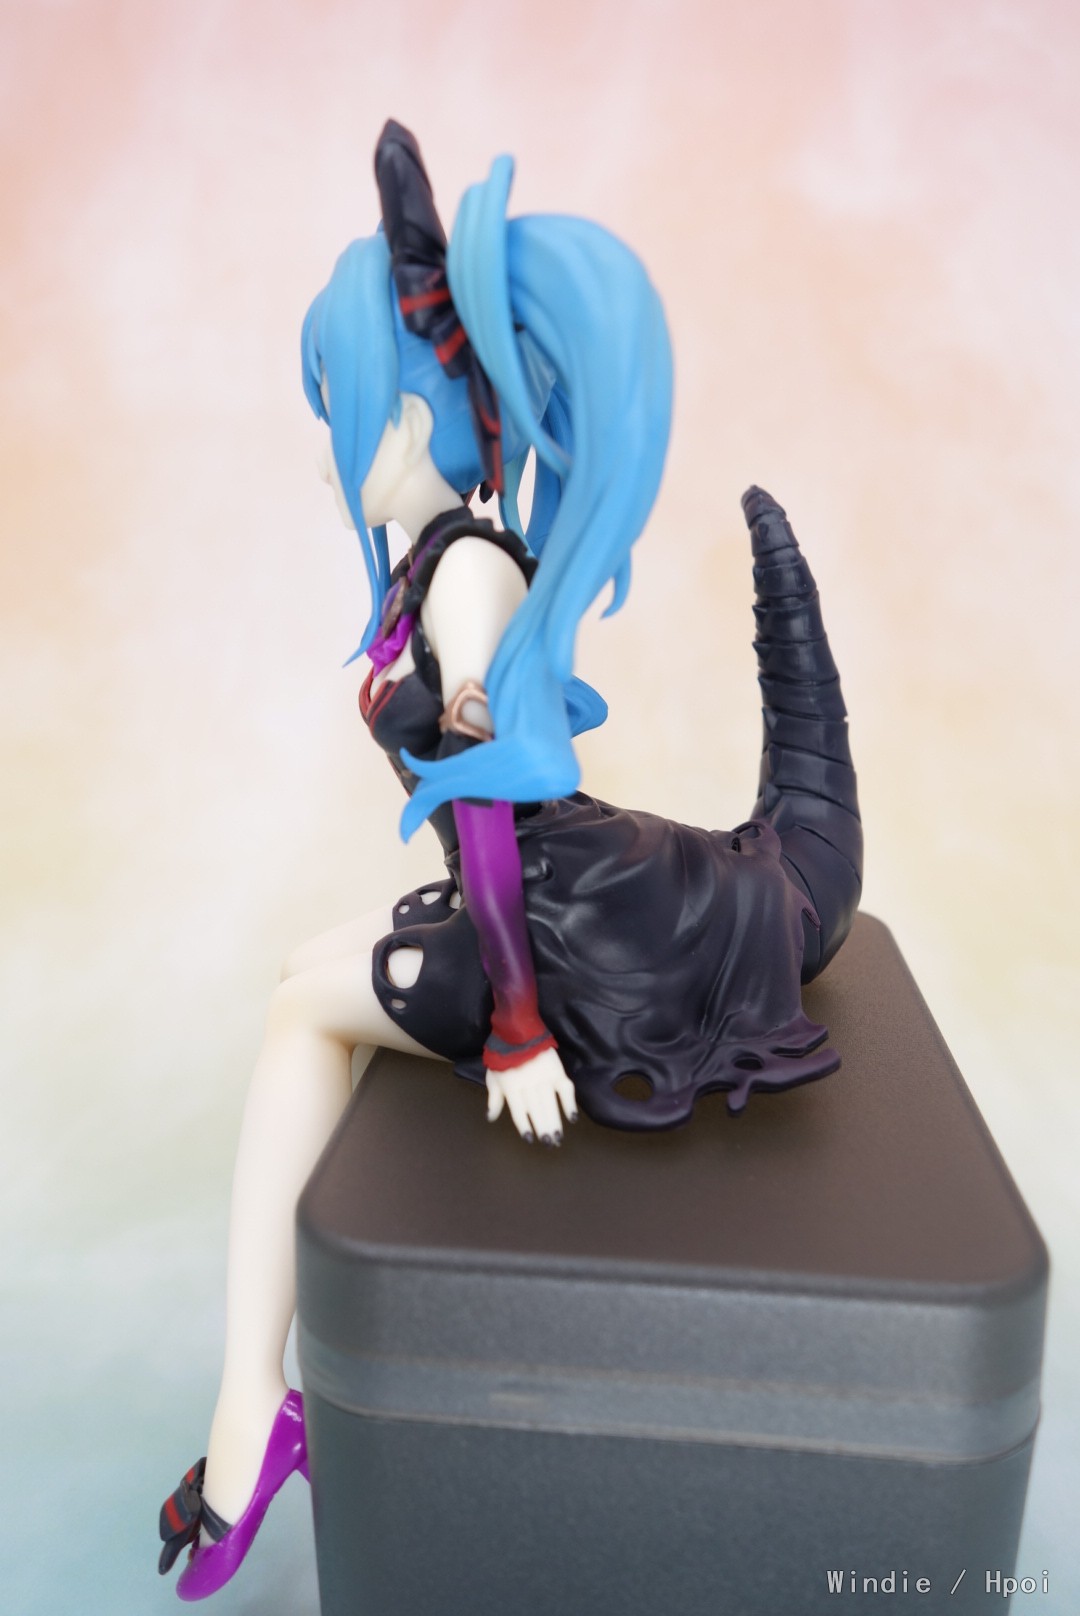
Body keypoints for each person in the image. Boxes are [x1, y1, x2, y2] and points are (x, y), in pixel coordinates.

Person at [158, 121, 861, 1599]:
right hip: (546, 896)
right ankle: (256, 1407)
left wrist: (520, 1027)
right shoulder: (433, 565)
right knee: (300, 977)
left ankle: (250, 1417)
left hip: (561, 925)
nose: (338, 443)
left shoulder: (468, 578)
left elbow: (488, 804)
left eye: (355, 411)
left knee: (298, 1016)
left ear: (421, 421)